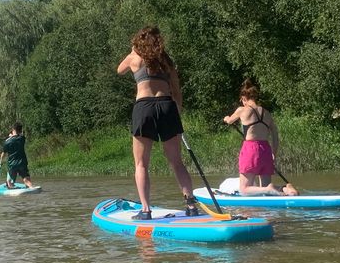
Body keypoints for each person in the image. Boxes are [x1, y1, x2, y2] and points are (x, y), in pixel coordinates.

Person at [116, 26, 201, 220]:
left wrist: (132, 51)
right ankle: (191, 205)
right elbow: (177, 90)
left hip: (144, 107)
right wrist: (176, 109)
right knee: (176, 162)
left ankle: (146, 210)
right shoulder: (166, 61)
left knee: (141, 163)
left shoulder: (134, 57)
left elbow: (119, 70)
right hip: (166, 106)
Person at [221, 79, 298, 196]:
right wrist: (274, 154)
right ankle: (285, 189)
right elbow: (275, 136)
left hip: (251, 149)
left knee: (244, 189)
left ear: (244, 98)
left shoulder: (242, 110)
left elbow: (230, 120)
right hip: (266, 149)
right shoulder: (266, 113)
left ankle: (269, 189)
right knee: (266, 191)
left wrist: (226, 118)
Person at [0, 123, 34, 188]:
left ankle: (10, 185)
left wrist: (0, 162)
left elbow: (3, 154)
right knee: (26, 180)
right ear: (20, 130)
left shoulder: (7, 142)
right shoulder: (22, 138)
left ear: (13, 130)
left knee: (9, 183)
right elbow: (18, 136)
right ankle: (31, 188)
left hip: (12, 164)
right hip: (22, 163)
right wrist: (12, 136)